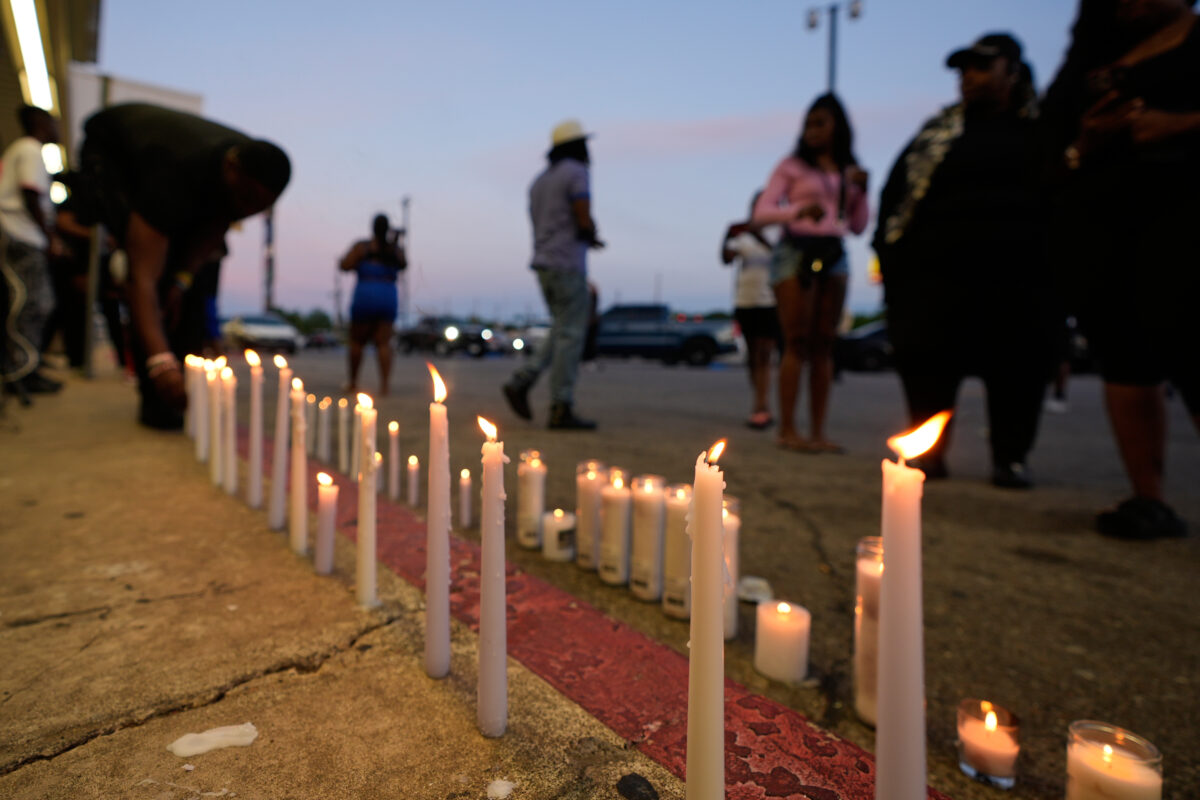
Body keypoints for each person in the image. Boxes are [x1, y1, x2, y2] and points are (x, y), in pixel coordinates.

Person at [1042, 0, 1200, 537]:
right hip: (1106, 222)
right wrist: (1084, 143)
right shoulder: (1093, 57)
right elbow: (1049, 145)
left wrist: (1178, 124)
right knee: (1126, 353)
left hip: (1183, 212)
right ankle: (1147, 495)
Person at [874, 33, 1057, 489]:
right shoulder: (938, 133)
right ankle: (928, 452)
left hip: (1016, 276)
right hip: (935, 276)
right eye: (963, 70)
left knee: (1017, 367)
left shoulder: (1041, 131)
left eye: (981, 67)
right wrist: (892, 258)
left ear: (1013, 72)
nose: (968, 78)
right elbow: (897, 195)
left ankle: (1011, 455)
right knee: (928, 364)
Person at [76, 103, 290, 429]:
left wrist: (183, 280)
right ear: (231, 167)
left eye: (258, 208)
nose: (247, 211)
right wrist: (161, 362)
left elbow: (216, 227)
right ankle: (158, 389)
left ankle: (182, 378)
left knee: (186, 289)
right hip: (110, 153)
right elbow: (142, 278)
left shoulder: (244, 183)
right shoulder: (174, 171)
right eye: (246, 199)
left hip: (190, 179)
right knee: (154, 277)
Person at [752, 94, 868, 453]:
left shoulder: (848, 171)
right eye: (808, 124)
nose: (812, 131)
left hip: (834, 253)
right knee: (796, 340)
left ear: (838, 126)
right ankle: (787, 428)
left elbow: (858, 225)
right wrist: (798, 211)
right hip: (795, 251)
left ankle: (818, 431)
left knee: (824, 342)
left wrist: (862, 192)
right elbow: (761, 213)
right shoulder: (791, 166)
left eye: (821, 123)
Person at [502, 119, 602, 430]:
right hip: (566, 262)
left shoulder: (539, 181)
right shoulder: (576, 172)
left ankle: (522, 380)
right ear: (578, 146)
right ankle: (561, 406)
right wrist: (591, 233)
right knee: (571, 334)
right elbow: (582, 216)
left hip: (544, 263)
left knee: (560, 329)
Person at [0, 105, 64, 398]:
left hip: (21, 234)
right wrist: (50, 237)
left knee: (34, 301)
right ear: (41, 123)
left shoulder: (21, 149)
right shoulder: (30, 149)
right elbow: (31, 193)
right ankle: (21, 371)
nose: (56, 129)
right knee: (31, 302)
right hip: (21, 234)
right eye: (52, 123)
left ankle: (27, 366)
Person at [721, 191, 779, 430]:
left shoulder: (779, 231)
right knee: (753, 355)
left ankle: (761, 406)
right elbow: (726, 258)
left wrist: (760, 235)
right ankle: (760, 401)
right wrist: (733, 240)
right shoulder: (738, 230)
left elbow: (782, 257)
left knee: (765, 353)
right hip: (745, 300)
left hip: (770, 300)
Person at [338, 213, 406, 396]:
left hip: (365, 297)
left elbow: (344, 265)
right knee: (384, 343)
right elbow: (404, 264)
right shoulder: (394, 250)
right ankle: (384, 386)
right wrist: (395, 242)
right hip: (387, 298)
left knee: (357, 342)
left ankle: (353, 382)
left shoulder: (362, 247)